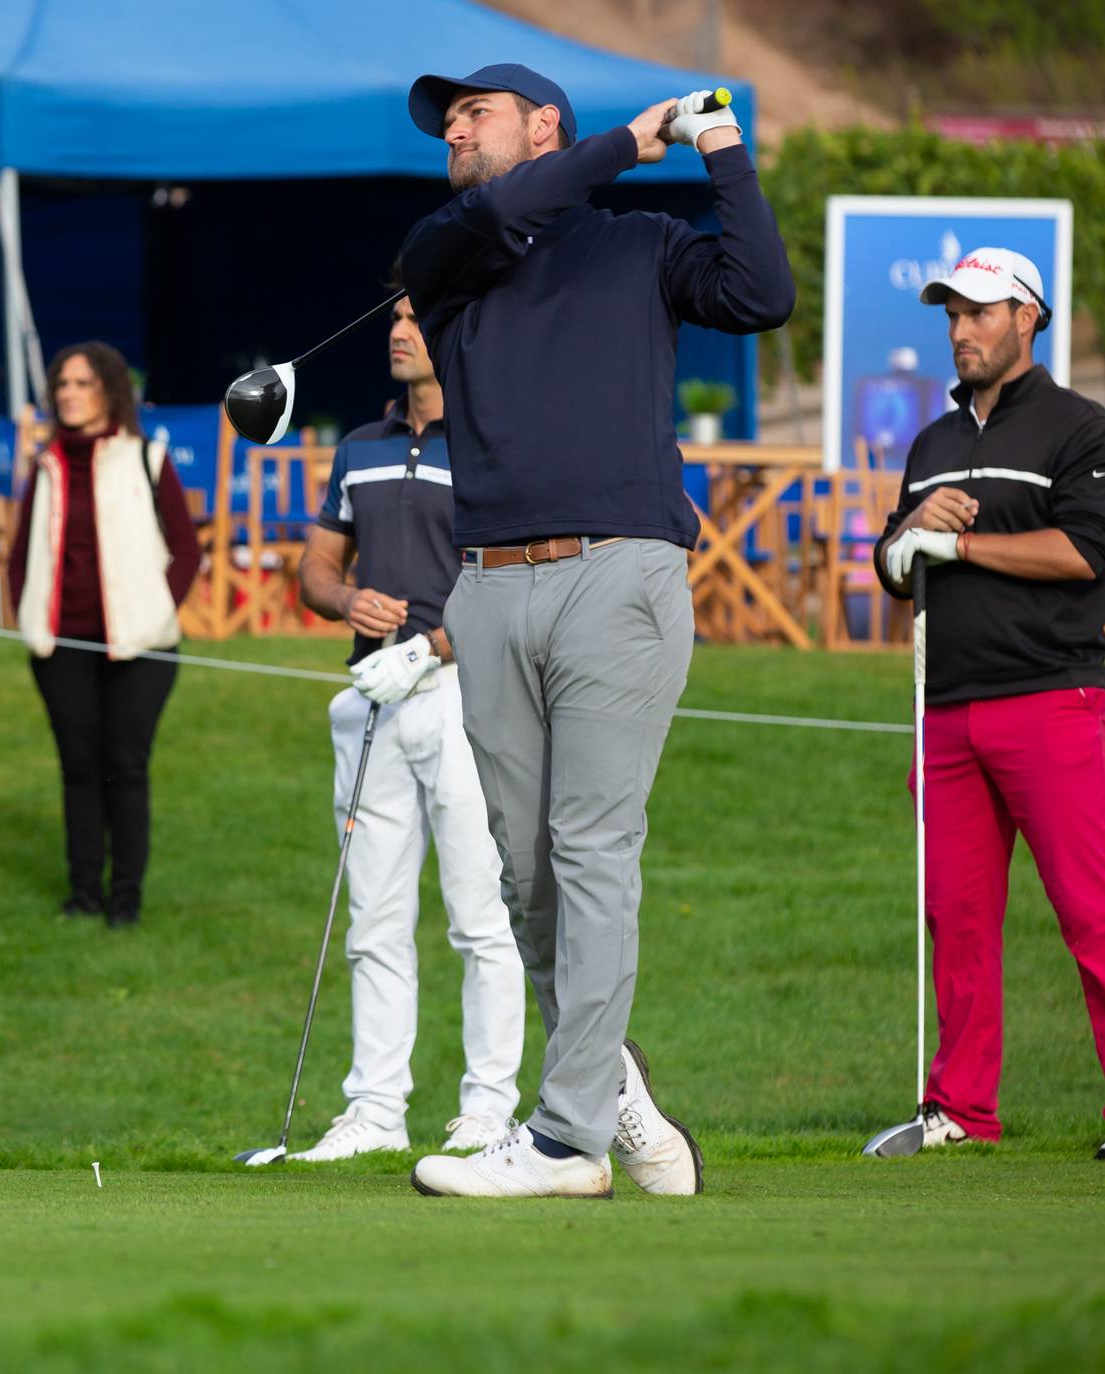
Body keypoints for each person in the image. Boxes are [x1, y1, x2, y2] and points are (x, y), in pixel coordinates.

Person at [397, 67, 794, 1198]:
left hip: (619, 571)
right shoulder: (447, 248)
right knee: (526, 880)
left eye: (474, 112)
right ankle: (612, 1094)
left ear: (543, 125)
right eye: (448, 121)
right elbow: (503, 212)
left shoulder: (641, 243)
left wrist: (721, 152)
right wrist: (634, 136)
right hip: (487, 585)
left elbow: (761, 295)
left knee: (590, 853)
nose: (455, 130)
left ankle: (565, 1140)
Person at [871, 247, 1105, 1161]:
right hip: (948, 710)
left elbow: (1084, 553)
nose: (961, 331)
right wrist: (912, 538)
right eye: (952, 315)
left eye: (980, 313)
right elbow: (892, 563)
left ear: (1027, 318)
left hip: (1051, 700)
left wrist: (959, 549)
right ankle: (961, 1106)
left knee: (1091, 910)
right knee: (957, 921)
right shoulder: (930, 444)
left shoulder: (1080, 429)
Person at [288, 289, 526, 1162]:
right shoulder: (361, 447)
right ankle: (375, 1112)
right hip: (371, 698)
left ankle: (487, 1110)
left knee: (478, 915)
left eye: (414, 319)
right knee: (373, 921)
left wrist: (430, 646)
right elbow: (316, 566)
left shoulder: (497, 442)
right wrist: (348, 598)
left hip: (463, 695)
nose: (395, 330)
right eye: (389, 317)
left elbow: (512, 579)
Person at [4, 342, 201, 929]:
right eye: (62, 384)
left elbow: (187, 550)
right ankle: (83, 892)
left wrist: (155, 610)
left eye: (81, 383)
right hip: (60, 643)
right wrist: (28, 613)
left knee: (125, 764)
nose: (68, 393)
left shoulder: (147, 456)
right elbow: (19, 555)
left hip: (142, 646)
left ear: (109, 390)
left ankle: (126, 900)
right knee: (78, 766)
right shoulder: (46, 465)